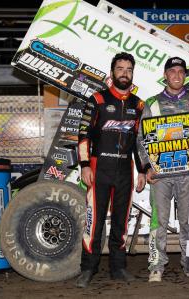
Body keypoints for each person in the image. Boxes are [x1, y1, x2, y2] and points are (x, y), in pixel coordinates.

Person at [75, 52, 146, 287]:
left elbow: (138, 141)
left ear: (132, 73)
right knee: (93, 222)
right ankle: (88, 269)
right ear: (112, 72)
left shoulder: (138, 104)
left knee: (121, 222)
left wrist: (142, 170)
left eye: (128, 69)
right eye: (120, 69)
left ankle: (118, 268)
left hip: (125, 170)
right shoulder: (97, 100)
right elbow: (83, 135)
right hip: (99, 168)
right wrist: (85, 165)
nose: (124, 73)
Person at [137, 57, 189, 282]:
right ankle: (156, 266)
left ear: (184, 75)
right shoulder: (152, 103)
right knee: (159, 222)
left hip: (188, 174)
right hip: (160, 176)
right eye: (172, 71)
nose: (177, 75)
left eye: (180, 71)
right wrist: (147, 166)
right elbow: (141, 139)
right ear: (165, 75)